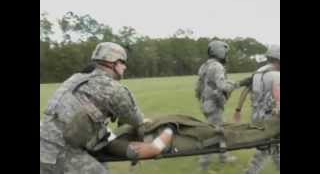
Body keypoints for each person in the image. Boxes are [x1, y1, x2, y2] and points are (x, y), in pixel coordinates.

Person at [40, 42, 145, 174]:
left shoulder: (75, 78)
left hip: (44, 146)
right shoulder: (113, 88)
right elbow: (136, 119)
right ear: (114, 63)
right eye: (123, 62)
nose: (125, 67)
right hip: (60, 153)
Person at [91, 114, 280, 163]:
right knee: (240, 133)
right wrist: (168, 129)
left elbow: (143, 125)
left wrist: (147, 123)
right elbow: (154, 148)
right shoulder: (112, 144)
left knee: (233, 128)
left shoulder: (110, 135)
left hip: (185, 130)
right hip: (185, 137)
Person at [195, 40, 251, 170]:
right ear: (219, 51)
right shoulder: (217, 66)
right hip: (214, 104)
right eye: (226, 52)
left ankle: (223, 156)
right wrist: (239, 83)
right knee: (215, 133)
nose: (226, 54)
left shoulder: (204, 66)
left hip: (206, 103)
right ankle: (204, 163)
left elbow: (199, 87)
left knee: (220, 130)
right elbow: (222, 86)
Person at [233, 46, 280, 174]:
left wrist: (238, 109)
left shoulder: (258, 72)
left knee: (273, 148)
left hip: (257, 117)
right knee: (266, 150)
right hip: (271, 119)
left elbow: (245, 90)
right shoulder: (276, 75)